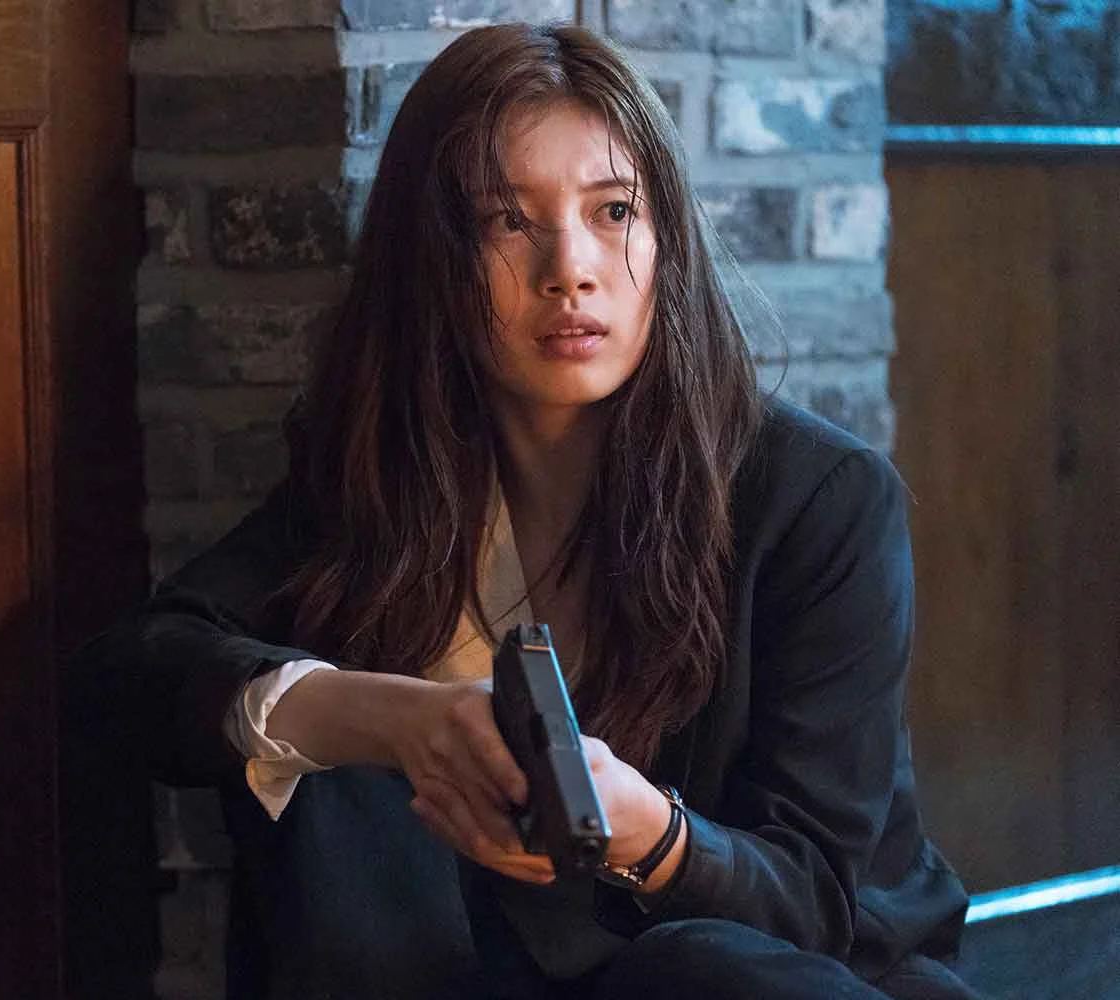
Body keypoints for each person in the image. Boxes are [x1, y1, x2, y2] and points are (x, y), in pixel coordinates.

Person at [107, 21, 980, 1000]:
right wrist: (382, 717)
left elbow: (818, 903)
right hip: (497, 966)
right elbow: (129, 675)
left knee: (692, 966)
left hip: (783, 972)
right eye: (507, 221)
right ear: (433, 257)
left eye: (614, 210)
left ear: (666, 240)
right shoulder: (383, 475)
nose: (570, 268)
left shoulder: (817, 498)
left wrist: (653, 835)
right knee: (329, 774)